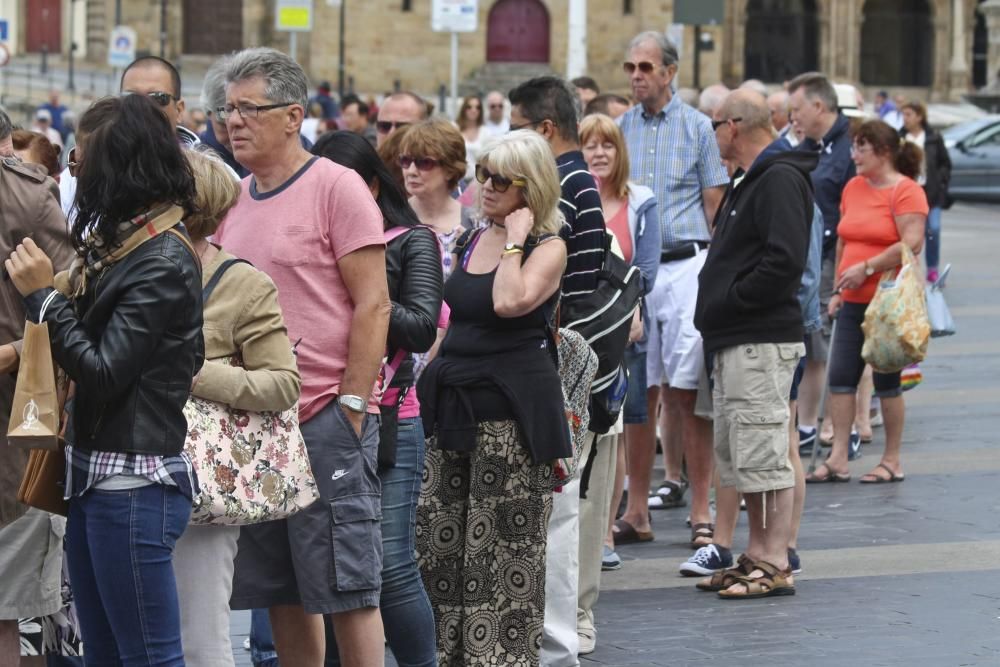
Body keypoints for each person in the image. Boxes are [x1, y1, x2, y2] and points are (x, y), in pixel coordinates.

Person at [6, 93, 204, 664]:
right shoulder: (122, 246)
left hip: (134, 483)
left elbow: (102, 370)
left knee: (148, 656)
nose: (76, 170)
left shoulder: (162, 258)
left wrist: (44, 295)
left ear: (119, 166)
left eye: (83, 158)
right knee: (106, 654)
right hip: (95, 475)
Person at [216, 47, 390, 667]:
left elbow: (374, 305)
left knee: (348, 589)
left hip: (322, 417)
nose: (234, 122)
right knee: (280, 593)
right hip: (256, 424)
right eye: (227, 110)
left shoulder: (335, 187)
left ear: (293, 116)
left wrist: (350, 406)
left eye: (248, 109)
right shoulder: (231, 201)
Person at [415, 129, 570, 667]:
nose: (485, 186)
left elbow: (510, 302)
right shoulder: (468, 239)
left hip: (512, 418)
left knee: (501, 550)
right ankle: (447, 653)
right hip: (452, 407)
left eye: (501, 180)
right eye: (483, 174)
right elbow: (452, 317)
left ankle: (497, 659)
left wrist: (515, 239)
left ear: (531, 189)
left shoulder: (549, 246)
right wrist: (419, 379)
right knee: (437, 542)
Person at [314, 131, 443, 667]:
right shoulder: (315, 239)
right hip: (322, 413)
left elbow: (419, 326)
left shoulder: (412, 239)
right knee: (325, 567)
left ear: (367, 185)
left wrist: (363, 300)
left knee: (387, 565)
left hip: (390, 417)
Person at [172, 148, 301, 667]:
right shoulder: (113, 266)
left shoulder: (240, 282)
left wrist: (194, 373)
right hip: (123, 463)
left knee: (200, 637)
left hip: (202, 481)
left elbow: (281, 383)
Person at [694, 88, 814, 600]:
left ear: (736, 126)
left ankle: (774, 559)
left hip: (758, 339)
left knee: (766, 452)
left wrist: (733, 299)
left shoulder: (780, 177)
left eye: (714, 124)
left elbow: (784, 262)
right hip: (737, 339)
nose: (712, 134)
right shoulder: (752, 179)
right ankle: (756, 551)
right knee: (745, 453)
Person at [616, 31, 728, 549]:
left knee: (687, 392)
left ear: (669, 72)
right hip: (638, 272)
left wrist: (716, 273)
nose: (636, 75)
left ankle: (701, 507)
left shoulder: (698, 127)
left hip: (686, 266)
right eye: (630, 67)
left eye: (645, 66)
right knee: (640, 394)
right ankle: (636, 508)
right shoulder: (621, 129)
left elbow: (714, 203)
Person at [507, 74, 605, 665]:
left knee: (558, 516)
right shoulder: (577, 181)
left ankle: (557, 641)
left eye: (518, 128)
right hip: (572, 365)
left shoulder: (561, 190)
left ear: (545, 130)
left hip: (559, 370)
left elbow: (539, 295)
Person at [577, 113, 660, 654]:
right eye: (589, 144)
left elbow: (646, 268)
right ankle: (594, 530)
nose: (598, 153)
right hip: (582, 336)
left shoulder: (641, 200)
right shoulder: (574, 201)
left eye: (607, 144)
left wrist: (626, 308)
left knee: (623, 427)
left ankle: (606, 527)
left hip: (624, 329)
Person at [807, 120, 927, 485]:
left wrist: (868, 267)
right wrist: (841, 288)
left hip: (887, 303)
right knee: (841, 378)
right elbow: (844, 238)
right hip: (853, 299)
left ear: (884, 153)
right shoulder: (854, 188)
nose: (854, 155)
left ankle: (892, 460)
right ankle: (839, 457)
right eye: (853, 147)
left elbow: (911, 244)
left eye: (862, 148)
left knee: (887, 381)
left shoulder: (906, 192)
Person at [0, 108, 75, 667]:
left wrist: (15, 352)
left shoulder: (25, 197)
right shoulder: (29, 195)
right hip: (18, 431)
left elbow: (71, 301)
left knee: (9, 609)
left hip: (16, 428)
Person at [787, 71, 857, 456]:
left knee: (824, 344)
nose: (791, 117)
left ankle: (832, 428)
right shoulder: (810, 146)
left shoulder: (847, 148)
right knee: (812, 344)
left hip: (832, 256)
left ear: (818, 106)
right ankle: (813, 423)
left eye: (796, 109)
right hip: (810, 254)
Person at [900, 101, 951, 283]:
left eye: (908, 115)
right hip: (908, 191)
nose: (905, 119)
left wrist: (941, 181)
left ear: (919, 117)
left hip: (931, 192)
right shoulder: (901, 138)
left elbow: (945, 162)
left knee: (933, 229)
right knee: (908, 233)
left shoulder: (933, 138)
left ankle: (932, 268)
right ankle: (909, 267)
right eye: (903, 115)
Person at [121, 55, 200, 147]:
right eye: (131, 97)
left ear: (179, 110)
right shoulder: (102, 156)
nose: (142, 106)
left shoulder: (201, 161)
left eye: (156, 98)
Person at [199, 54, 248, 178]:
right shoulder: (197, 163)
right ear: (208, 112)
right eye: (223, 125)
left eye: (246, 116)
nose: (234, 132)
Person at [456, 95, 486, 181]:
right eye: (469, 107)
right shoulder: (454, 128)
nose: (474, 110)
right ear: (463, 109)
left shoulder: (486, 132)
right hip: (457, 179)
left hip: (477, 180)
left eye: (478, 107)